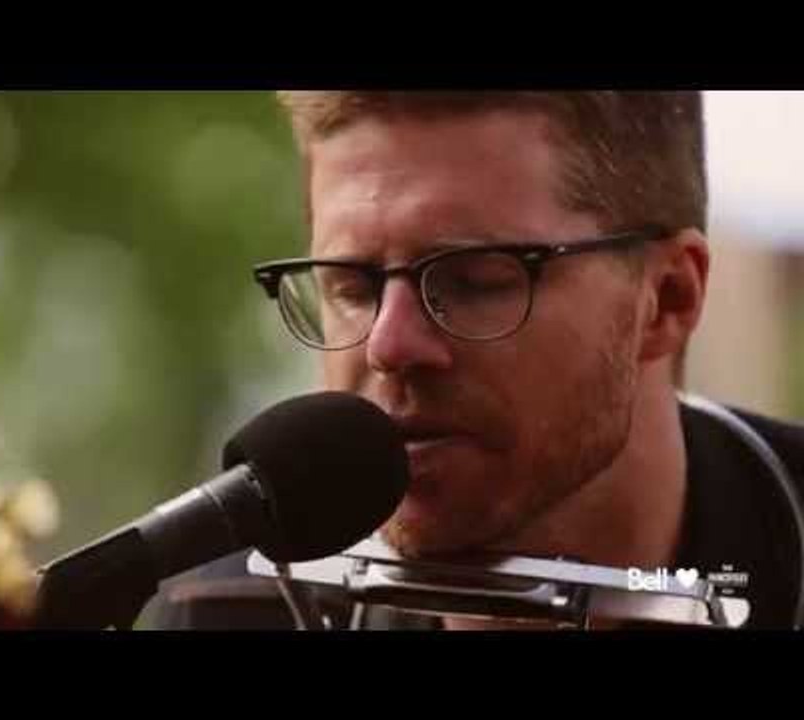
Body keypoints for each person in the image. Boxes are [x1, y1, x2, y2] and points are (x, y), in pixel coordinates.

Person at [153, 91, 804, 631]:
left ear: (667, 298)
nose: (388, 346)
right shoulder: (226, 607)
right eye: (352, 286)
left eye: (473, 279)